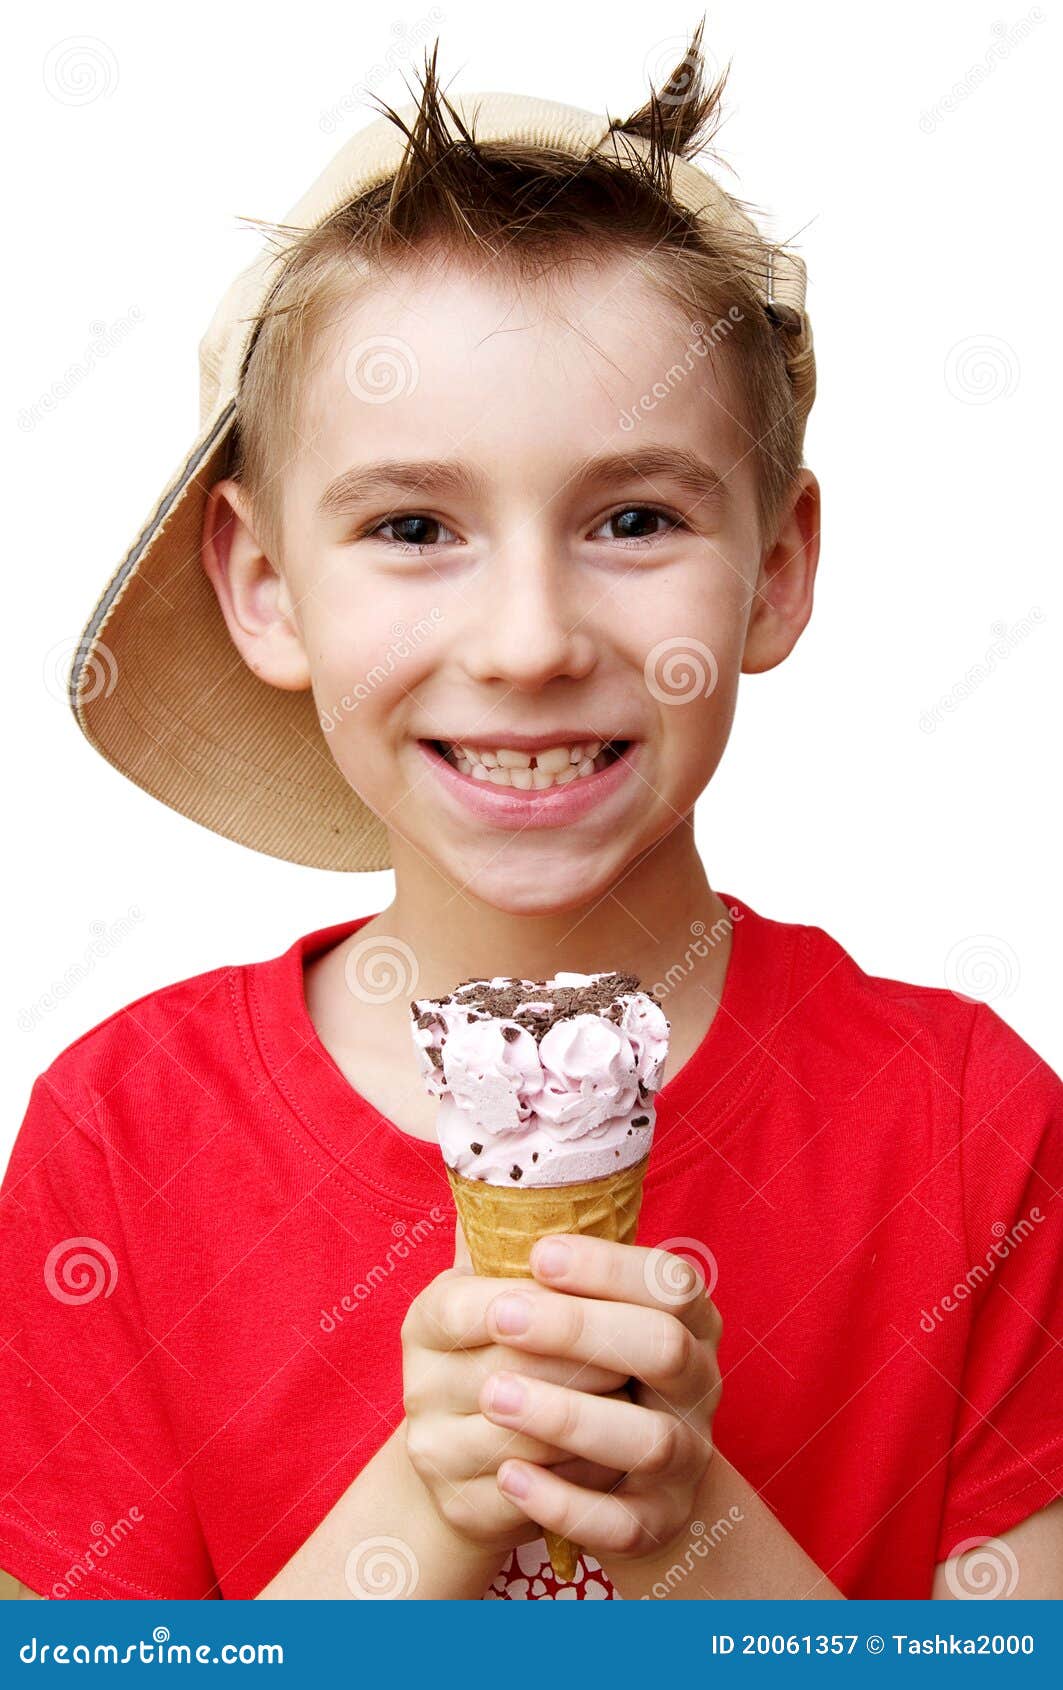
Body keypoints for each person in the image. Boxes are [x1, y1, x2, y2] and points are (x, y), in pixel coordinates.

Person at [2, 27, 1060, 1601]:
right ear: (267, 588)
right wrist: (427, 1508)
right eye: (414, 525)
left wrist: (688, 1522)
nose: (526, 640)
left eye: (635, 517)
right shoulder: (122, 1142)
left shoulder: (978, 1130)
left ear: (775, 566)